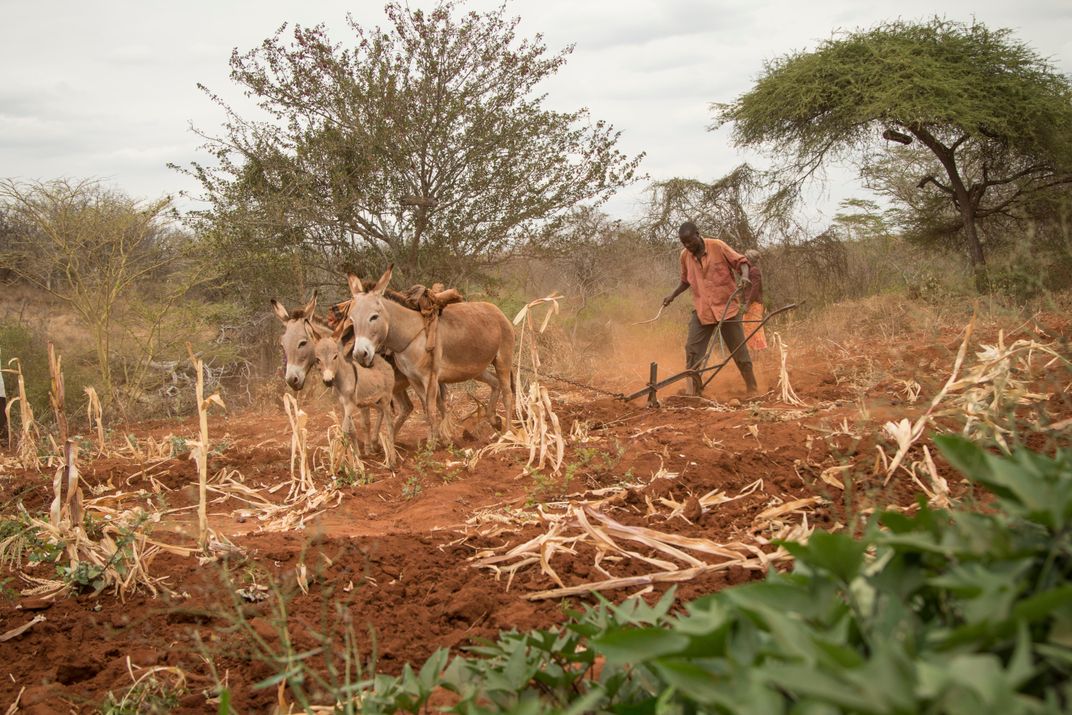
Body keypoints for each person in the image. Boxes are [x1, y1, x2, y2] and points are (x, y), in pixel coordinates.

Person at [662, 222, 758, 396]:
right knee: (692, 350)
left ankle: (752, 388)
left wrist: (744, 276)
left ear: (698, 235)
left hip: (727, 308)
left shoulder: (717, 246)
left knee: (739, 351)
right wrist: (672, 295)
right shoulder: (684, 256)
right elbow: (685, 281)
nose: (688, 246)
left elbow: (741, 262)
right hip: (703, 311)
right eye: (684, 243)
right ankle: (694, 392)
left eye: (690, 242)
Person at [742, 249, 768, 353]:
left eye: (745, 258)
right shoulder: (751, 271)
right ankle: (755, 351)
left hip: (754, 303)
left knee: (754, 327)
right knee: (748, 326)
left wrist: (747, 304)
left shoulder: (754, 271)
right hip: (752, 303)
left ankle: (759, 351)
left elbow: (755, 289)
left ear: (749, 259)